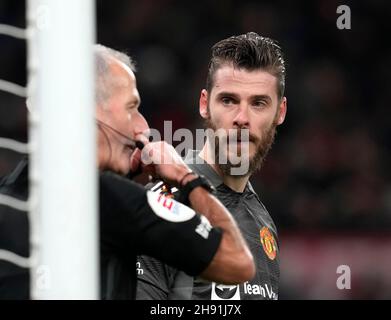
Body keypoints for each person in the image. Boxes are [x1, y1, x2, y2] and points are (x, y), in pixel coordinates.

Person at [0, 44, 255, 299]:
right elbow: (237, 262)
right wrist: (186, 178)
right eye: (131, 107)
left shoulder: (7, 194)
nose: (143, 126)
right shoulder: (110, 199)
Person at [136, 32, 287, 300]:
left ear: (280, 112)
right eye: (228, 100)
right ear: (205, 104)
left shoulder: (263, 221)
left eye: (259, 103)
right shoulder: (166, 205)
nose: (242, 118)